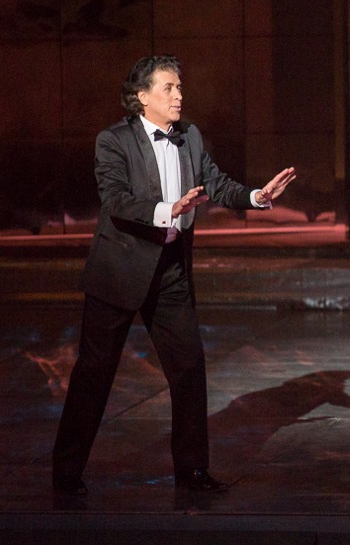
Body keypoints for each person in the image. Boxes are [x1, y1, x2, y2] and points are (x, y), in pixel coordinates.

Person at [52, 55, 296, 496]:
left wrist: (257, 197)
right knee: (95, 374)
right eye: (169, 87)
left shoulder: (190, 136)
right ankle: (66, 472)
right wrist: (169, 210)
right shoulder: (113, 140)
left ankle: (192, 471)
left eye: (180, 87)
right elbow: (115, 200)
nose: (179, 95)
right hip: (120, 271)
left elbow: (217, 184)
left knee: (189, 369)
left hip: (170, 273)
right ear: (142, 96)